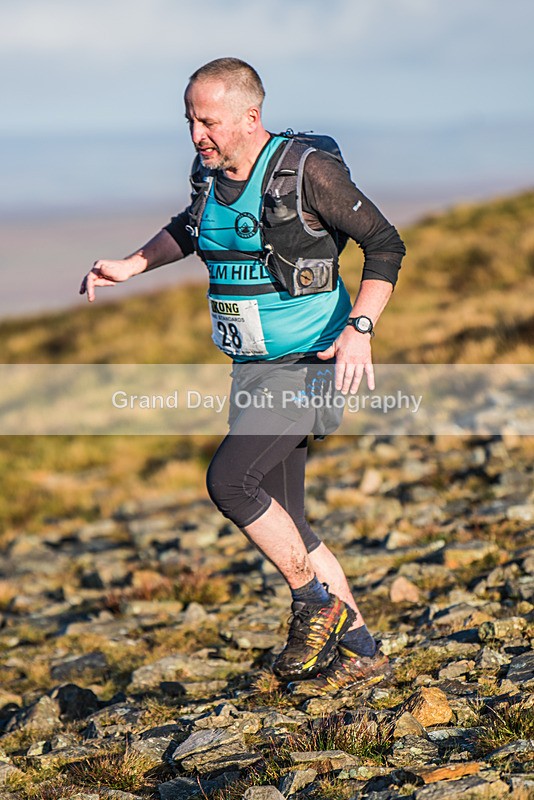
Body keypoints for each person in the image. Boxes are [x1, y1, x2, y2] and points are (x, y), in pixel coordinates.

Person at [80, 57, 405, 696]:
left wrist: (360, 328)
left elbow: (385, 243)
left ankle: (314, 604)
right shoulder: (208, 175)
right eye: (189, 121)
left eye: (208, 121)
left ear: (250, 116)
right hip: (251, 368)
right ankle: (362, 652)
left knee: (230, 481)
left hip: (309, 362)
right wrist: (132, 264)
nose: (196, 134)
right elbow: (190, 228)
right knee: (289, 521)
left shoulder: (307, 172)